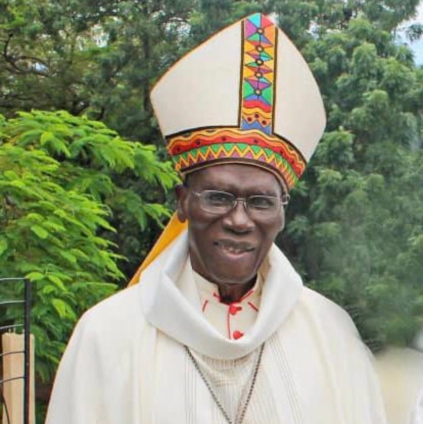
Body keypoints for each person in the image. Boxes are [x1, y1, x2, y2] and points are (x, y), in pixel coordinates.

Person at [45, 13, 388, 424]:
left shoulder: (332, 335)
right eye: (219, 197)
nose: (240, 220)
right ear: (183, 202)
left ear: (282, 212)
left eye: (260, 201)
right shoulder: (107, 335)